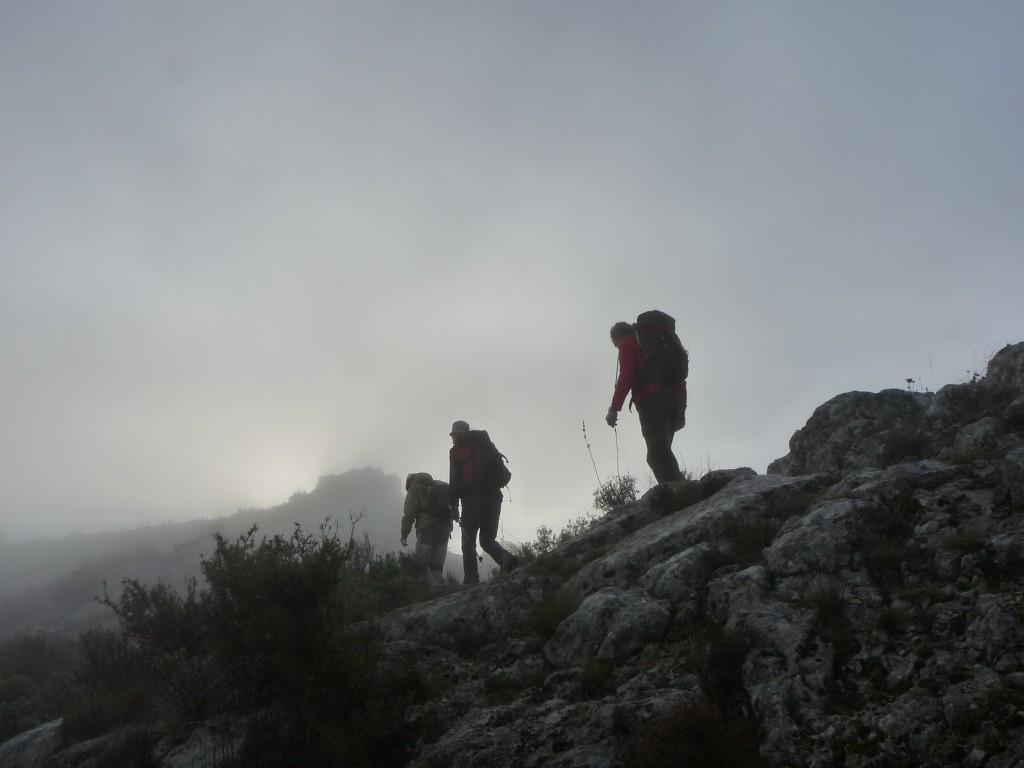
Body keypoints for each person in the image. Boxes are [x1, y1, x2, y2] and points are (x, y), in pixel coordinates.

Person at [605, 320, 686, 483]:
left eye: (615, 345)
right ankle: (680, 490)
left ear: (618, 336)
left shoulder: (628, 342)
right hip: (675, 399)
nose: (617, 349)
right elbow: (680, 379)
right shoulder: (659, 344)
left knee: (657, 454)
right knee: (663, 451)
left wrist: (614, 409)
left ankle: (679, 495)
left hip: (651, 400)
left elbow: (626, 376)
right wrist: (682, 410)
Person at [448, 420, 519, 584]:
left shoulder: (456, 451)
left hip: (472, 500)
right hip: (494, 497)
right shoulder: (485, 444)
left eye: (453, 435)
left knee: (468, 542)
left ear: (457, 434)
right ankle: (507, 559)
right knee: (487, 540)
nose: (452, 439)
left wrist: (453, 506)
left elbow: (455, 481)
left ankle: (471, 580)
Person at [400, 472, 453, 585]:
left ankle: (432, 591)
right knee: (437, 566)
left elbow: (409, 513)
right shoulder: (437, 485)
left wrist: (404, 533)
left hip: (428, 528)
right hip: (445, 527)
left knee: (421, 563)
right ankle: (441, 590)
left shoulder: (414, 488)